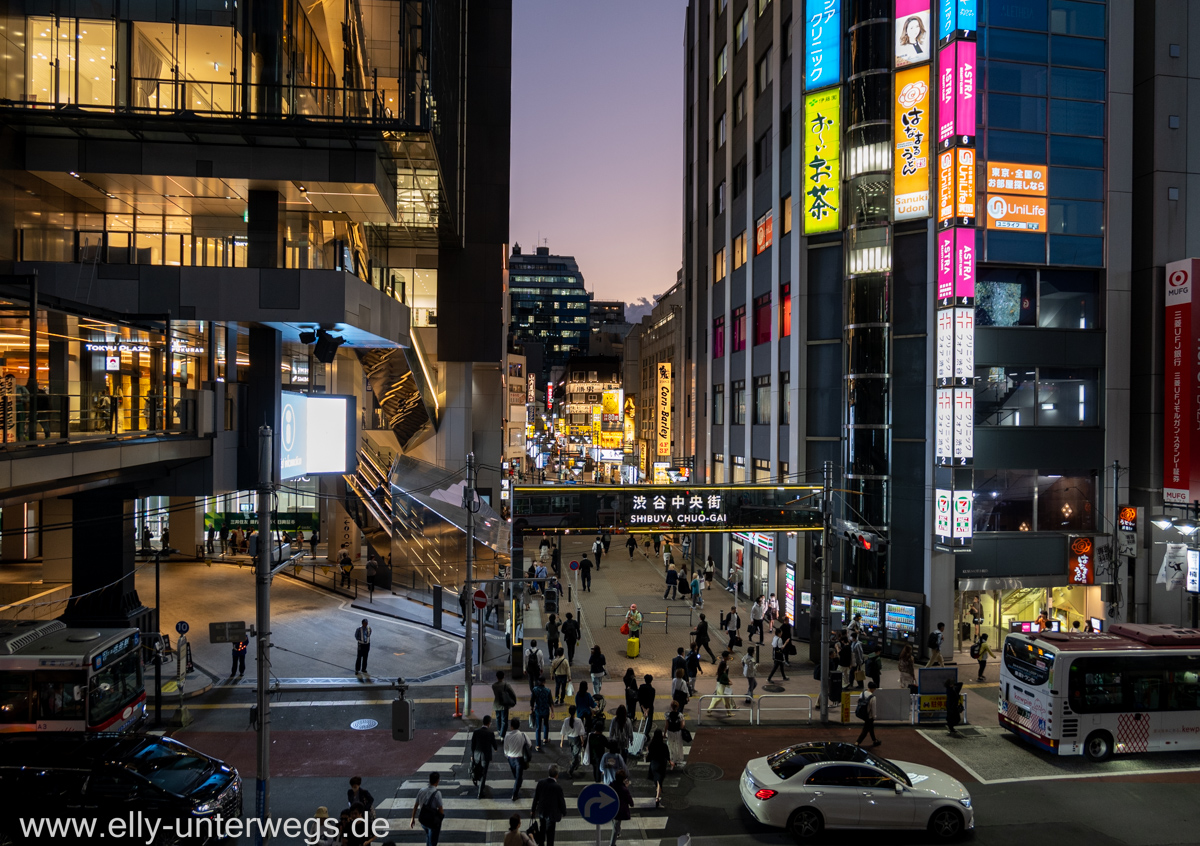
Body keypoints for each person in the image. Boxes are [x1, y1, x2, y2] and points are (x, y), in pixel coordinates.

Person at [531, 764, 567, 846]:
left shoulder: (541, 783)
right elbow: (561, 802)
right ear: (557, 775)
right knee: (550, 833)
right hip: (552, 814)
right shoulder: (557, 787)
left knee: (542, 829)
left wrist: (533, 810)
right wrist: (564, 812)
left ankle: (541, 844)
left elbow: (536, 797)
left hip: (542, 812)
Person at [410, 772, 444, 846]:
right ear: (438, 781)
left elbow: (416, 806)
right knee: (432, 841)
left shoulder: (421, 791)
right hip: (432, 822)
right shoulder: (437, 793)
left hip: (423, 820)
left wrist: (412, 818)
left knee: (428, 836)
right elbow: (441, 811)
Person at [504, 718, 533, 800]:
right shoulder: (523, 735)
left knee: (516, 776)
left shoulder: (507, 736)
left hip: (510, 759)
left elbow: (505, 750)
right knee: (518, 777)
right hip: (519, 759)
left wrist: (508, 756)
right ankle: (514, 794)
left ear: (511, 727)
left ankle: (517, 786)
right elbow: (530, 745)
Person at [471, 715, 500, 798]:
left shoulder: (476, 732)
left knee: (477, 769)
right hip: (485, 757)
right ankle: (480, 792)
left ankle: (475, 779)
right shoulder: (490, 733)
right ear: (489, 723)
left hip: (477, 755)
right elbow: (494, 745)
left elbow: (473, 744)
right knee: (483, 773)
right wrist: (495, 748)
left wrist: (472, 755)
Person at [646, 729, 671, 807]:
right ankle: (657, 797)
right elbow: (667, 755)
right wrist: (670, 762)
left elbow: (649, 754)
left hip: (654, 764)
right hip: (662, 765)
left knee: (656, 780)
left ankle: (657, 792)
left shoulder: (651, 745)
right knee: (660, 781)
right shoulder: (664, 746)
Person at [608, 769, 633, 846]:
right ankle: (612, 844)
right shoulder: (624, 789)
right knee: (616, 826)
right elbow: (629, 800)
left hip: (611, 807)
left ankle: (618, 832)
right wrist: (631, 804)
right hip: (620, 810)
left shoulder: (611, 785)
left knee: (614, 822)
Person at [560, 705, 586, 777]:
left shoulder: (566, 720)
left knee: (574, 753)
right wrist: (582, 740)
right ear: (575, 712)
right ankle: (571, 770)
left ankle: (576, 764)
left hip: (569, 739)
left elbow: (563, 731)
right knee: (575, 755)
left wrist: (561, 742)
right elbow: (581, 732)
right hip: (576, 739)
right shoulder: (579, 721)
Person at [530, 676, 555, 751]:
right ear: (544, 682)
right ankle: (545, 738)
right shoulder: (547, 690)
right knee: (546, 724)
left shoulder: (535, 690)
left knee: (538, 728)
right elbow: (551, 702)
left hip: (538, 711)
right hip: (546, 710)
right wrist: (552, 712)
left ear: (538, 682)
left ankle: (538, 745)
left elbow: (532, 701)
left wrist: (531, 709)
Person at [707, 652, 735, 716]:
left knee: (718, 698)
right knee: (726, 699)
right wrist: (729, 682)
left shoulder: (723, 664)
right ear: (725, 657)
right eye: (728, 656)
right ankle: (729, 712)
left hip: (721, 684)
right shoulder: (723, 664)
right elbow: (723, 677)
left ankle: (710, 709)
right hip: (724, 686)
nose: (729, 657)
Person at [855, 681, 882, 747]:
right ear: (873, 688)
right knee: (866, 729)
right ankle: (857, 742)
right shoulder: (872, 697)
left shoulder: (862, 693)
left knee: (870, 727)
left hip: (862, 713)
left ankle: (874, 740)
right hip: (869, 715)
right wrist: (874, 716)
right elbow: (873, 708)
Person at [493, 670, 518, 739]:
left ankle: (499, 730)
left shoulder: (494, 685)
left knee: (498, 718)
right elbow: (512, 693)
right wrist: (514, 701)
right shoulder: (506, 685)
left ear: (496, 677)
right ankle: (502, 735)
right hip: (504, 705)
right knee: (504, 720)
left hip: (496, 704)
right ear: (503, 676)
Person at [665, 700, 686, 765]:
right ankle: (678, 759)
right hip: (677, 732)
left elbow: (666, 725)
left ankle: (671, 758)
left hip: (670, 731)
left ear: (671, 706)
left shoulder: (667, 715)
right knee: (678, 745)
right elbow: (682, 726)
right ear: (677, 707)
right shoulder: (680, 715)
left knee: (670, 745)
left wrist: (664, 733)